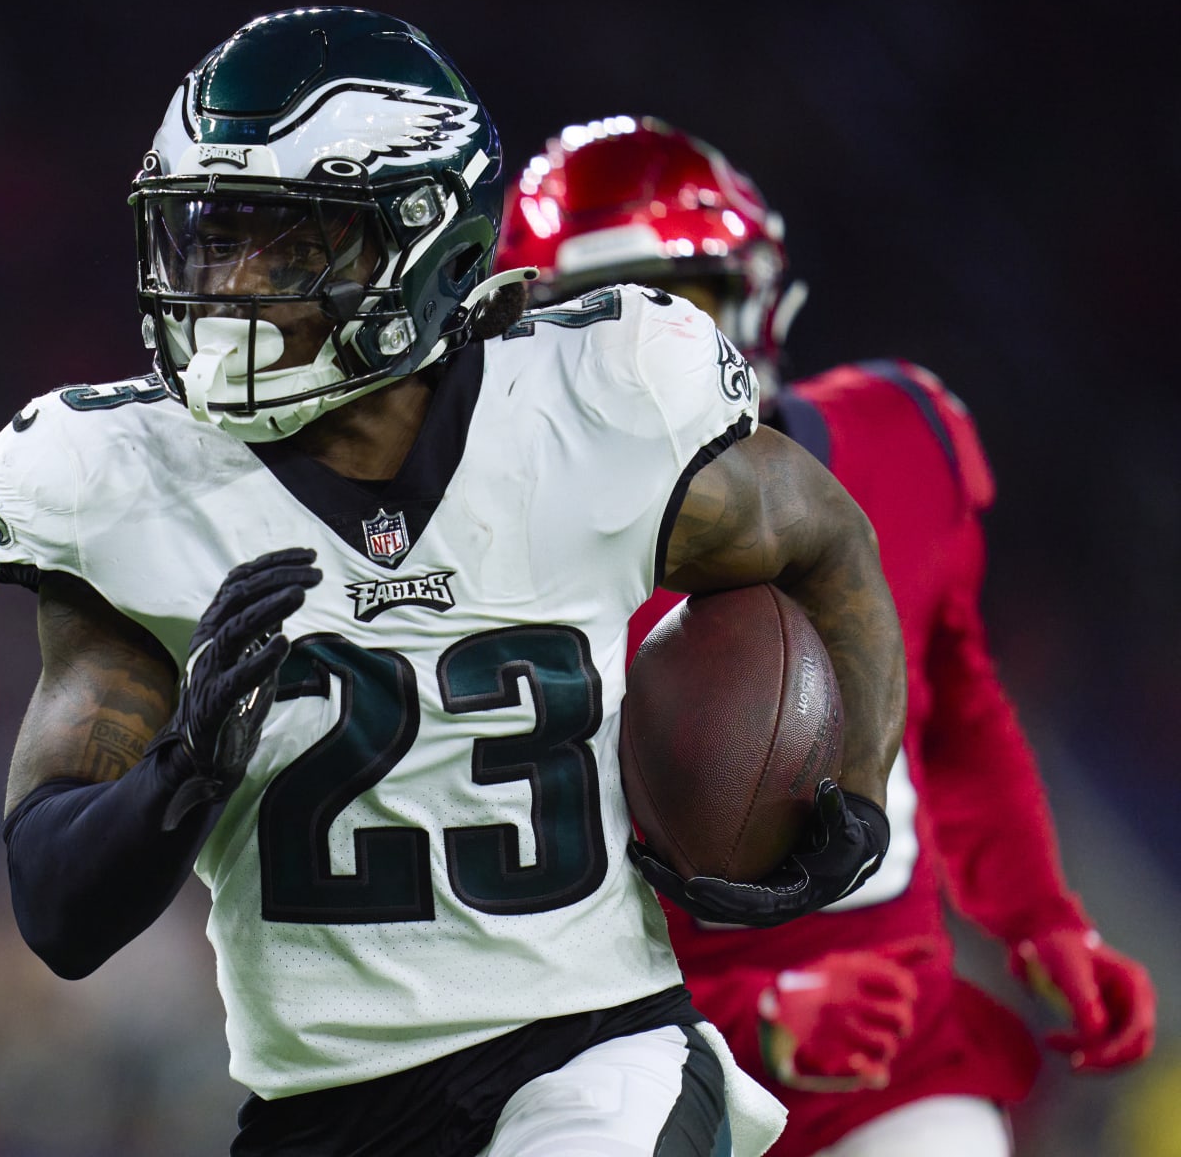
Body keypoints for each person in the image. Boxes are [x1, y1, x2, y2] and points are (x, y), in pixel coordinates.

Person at [0, 11, 909, 1157]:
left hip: (592, 1054)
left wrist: (857, 796)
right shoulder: (124, 484)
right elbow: (58, 912)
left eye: (285, 241)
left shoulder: (593, 407)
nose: (227, 283)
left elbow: (827, 541)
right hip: (321, 1114)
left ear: (428, 243)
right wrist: (183, 772)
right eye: (209, 236)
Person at [495, 116, 1155, 1157]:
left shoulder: (901, 440)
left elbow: (956, 713)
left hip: (888, 1067)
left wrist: (1040, 916)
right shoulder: (489, 555)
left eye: (685, 305)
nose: (654, 355)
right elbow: (499, 917)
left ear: (757, 305)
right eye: (608, 317)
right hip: (625, 1072)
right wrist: (758, 1016)